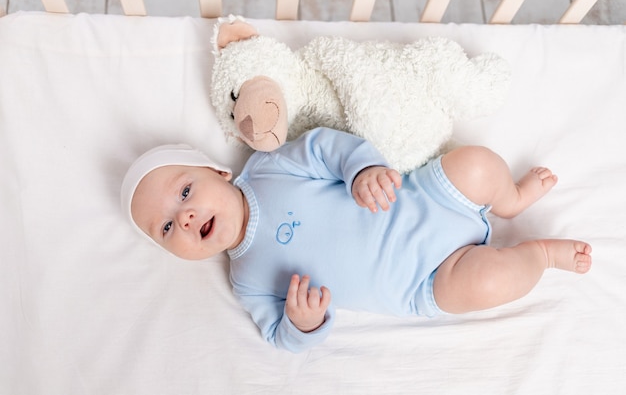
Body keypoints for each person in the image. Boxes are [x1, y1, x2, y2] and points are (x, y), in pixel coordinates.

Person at [121, 127, 592, 353]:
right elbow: (278, 337)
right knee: (490, 282)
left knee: (477, 163)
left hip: (424, 200)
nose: (183, 217)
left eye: (185, 191)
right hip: (426, 281)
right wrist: (300, 323)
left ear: (218, 172)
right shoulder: (246, 280)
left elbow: (325, 148)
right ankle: (540, 254)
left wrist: (360, 170)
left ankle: (509, 200)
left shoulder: (266, 169)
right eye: (166, 229)